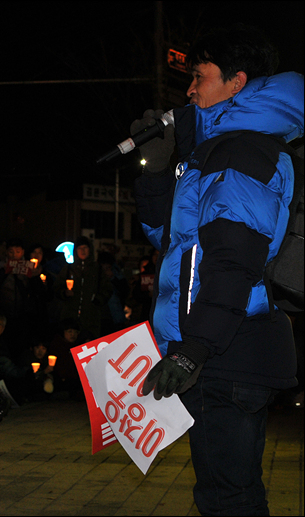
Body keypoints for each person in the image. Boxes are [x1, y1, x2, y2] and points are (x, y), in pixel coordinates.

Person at [134, 24, 302, 515]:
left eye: (199, 76)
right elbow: (173, 244)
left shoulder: (241, 149)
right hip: (225, 351)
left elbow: (232, 262)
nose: (188, 90)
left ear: (237, 82)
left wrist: (193, 351)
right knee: (229, 493)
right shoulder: (217, 150)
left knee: (228, 498)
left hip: (225, 353)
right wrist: (156, 170)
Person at [54, 236, 113, 342]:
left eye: (85, 247)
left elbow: (107, 288)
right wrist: (64, 293)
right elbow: (57, 287)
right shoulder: (69, 269)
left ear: (89, 249)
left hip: (91, 318)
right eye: (79, 248)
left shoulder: (97, 269)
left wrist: (97, 300)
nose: (82, 251)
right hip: (70, 317)